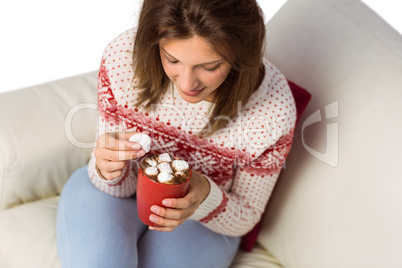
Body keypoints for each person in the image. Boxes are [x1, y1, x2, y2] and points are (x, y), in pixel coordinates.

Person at [56, 0, 296, 267]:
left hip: (203, 223)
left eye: (209, 66)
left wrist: (205, 194)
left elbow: (246, 215)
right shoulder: (122, 60)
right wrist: (109, 170)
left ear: (240, 55)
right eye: (172, 59)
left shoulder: (273, 110)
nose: (186, 83)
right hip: (111, 194)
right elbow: (110, 184)